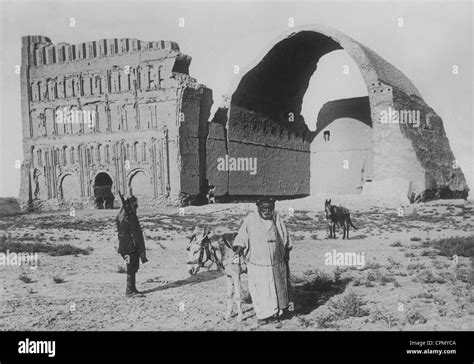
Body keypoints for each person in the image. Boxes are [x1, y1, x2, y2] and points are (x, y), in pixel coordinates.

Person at [233, 197, 292, 324]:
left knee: (276, 289)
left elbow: (285, 236)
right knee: (261, 291)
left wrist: (286, 252)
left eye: (269, 208)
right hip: (258, 265)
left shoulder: (277, 219)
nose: (267, 211)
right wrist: (238, 249)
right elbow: (242, 236)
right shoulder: (250, 220)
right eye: (264, 208)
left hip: (276, 263)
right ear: (259, 208)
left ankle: (275, 314)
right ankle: (263, 316)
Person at [116, 192, 148, 296]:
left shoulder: (121, 216)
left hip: (124, 247)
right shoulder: (130, 217)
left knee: (131, 266)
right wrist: (140, 247)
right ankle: (129, 290)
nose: (136, 206)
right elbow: (136, 233)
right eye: (135, 204)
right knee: (131, 266)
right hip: (130, 247)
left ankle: (132, 288)